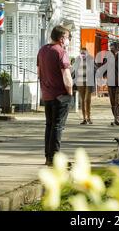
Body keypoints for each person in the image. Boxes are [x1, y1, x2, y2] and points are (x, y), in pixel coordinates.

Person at [37, 26, 73, 166]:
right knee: (58, 126)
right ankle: (55, 157)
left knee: (49, 125)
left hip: (47, 94)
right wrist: (69, 92)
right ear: (62, 38)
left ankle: (48, 156)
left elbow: (39, 72)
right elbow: (67, 76)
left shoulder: (42, 50)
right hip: (60, 94)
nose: (68, 40)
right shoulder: (61, 52)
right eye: (68, 37)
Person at [103, 42, 119, 126]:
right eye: (110, 47)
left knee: (118, 101)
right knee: (112, 102)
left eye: (112, 48)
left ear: (117, 48)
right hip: (111, 82)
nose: (111, 49)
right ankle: (115, 118)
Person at [72, 48, 95, 125]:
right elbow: (74, 70)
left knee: (87, 100)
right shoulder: (77, 59)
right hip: (80, 82)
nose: (82, 54)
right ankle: (84, 118)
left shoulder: (91, 59)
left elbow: (95, 69)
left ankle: (89, 117)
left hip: (88, 82)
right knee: (82, 100)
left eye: (84, 53)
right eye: (81, 53)